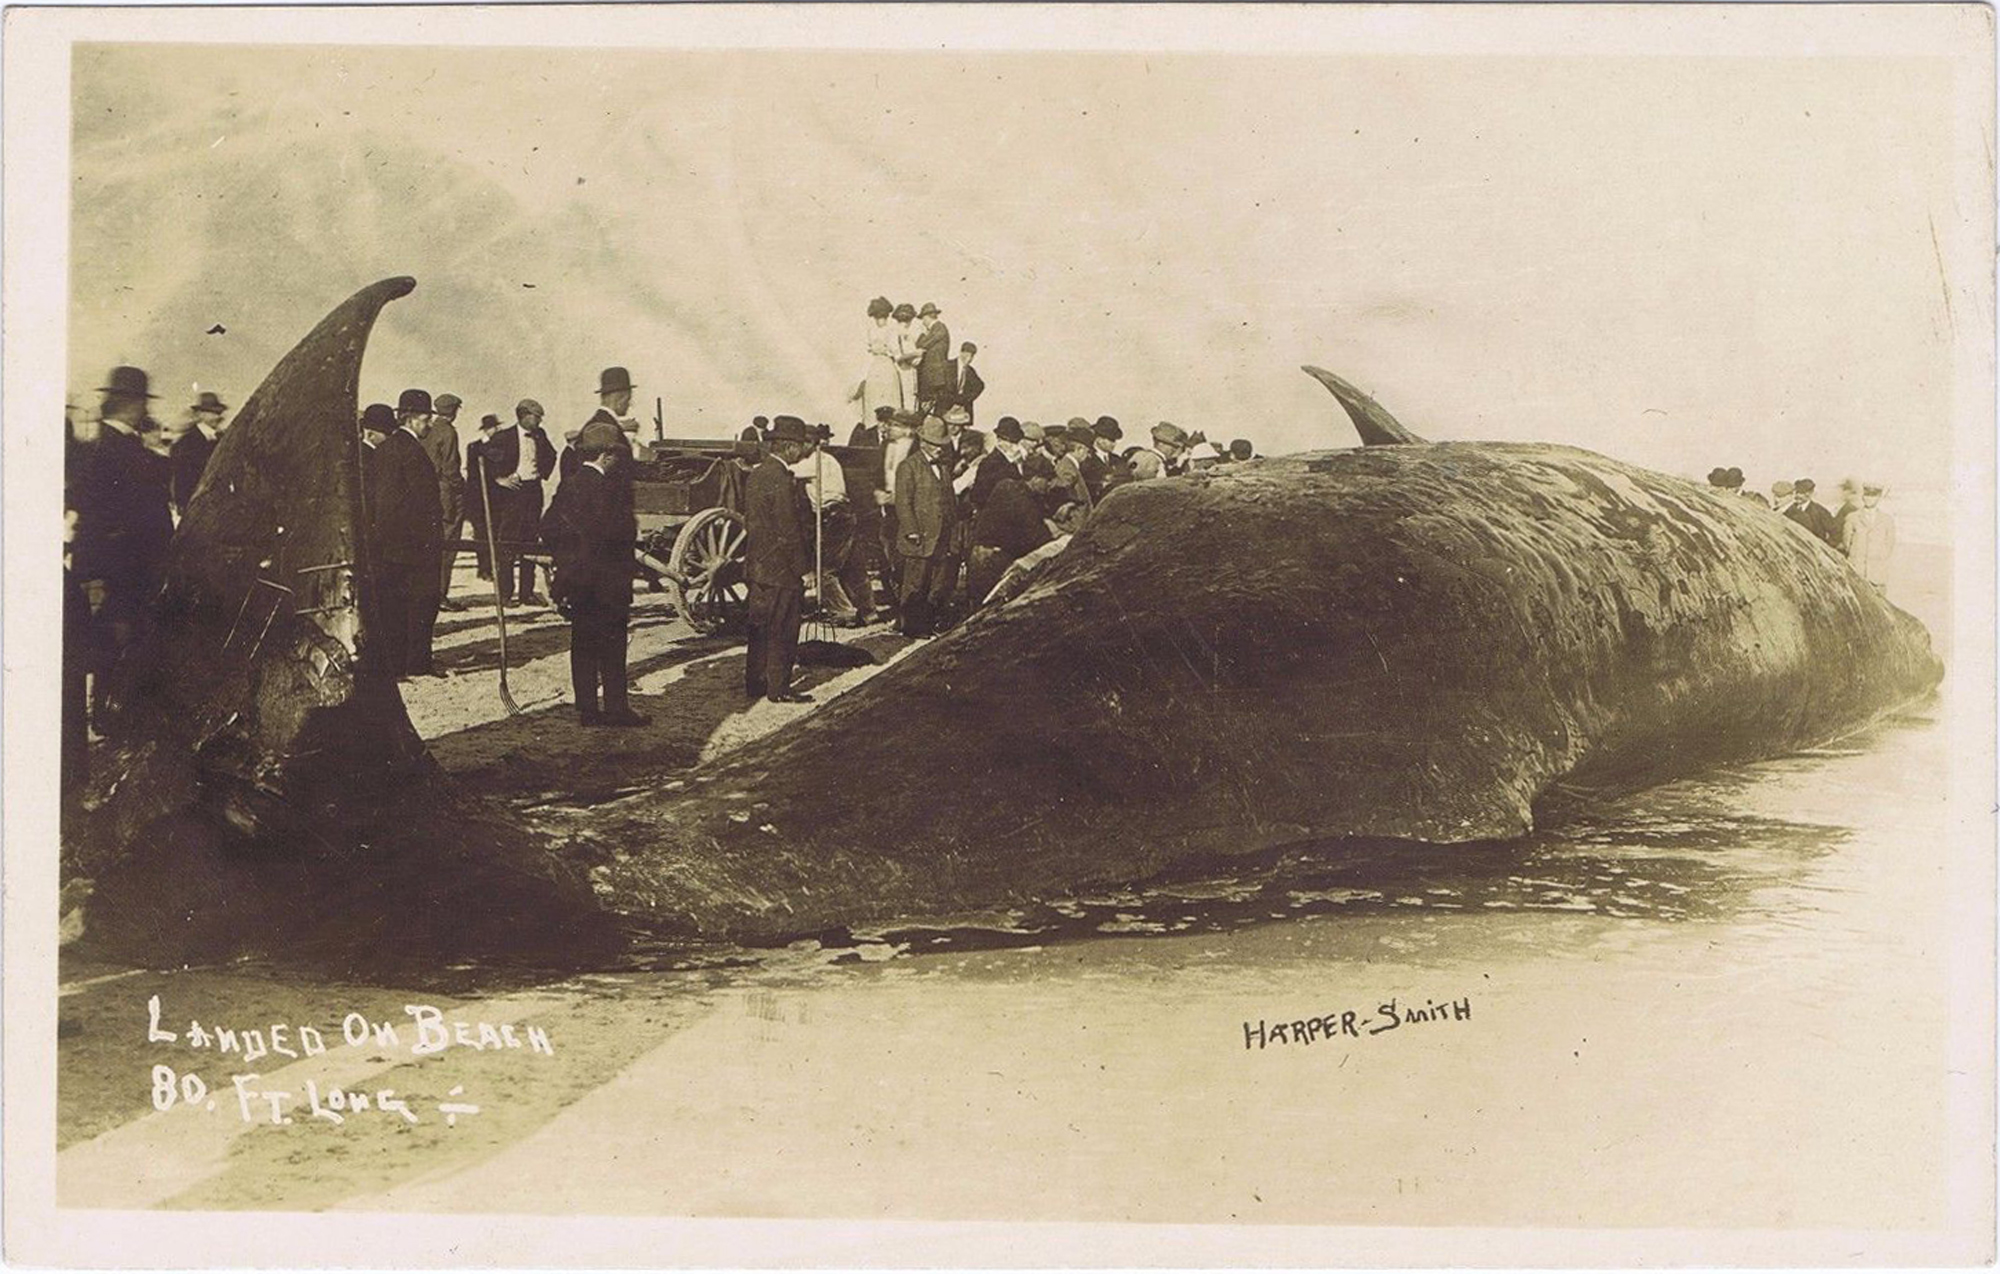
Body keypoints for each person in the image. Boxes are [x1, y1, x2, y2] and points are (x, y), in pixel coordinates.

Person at [71, 366, 175, 733]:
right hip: (126, 564)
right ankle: (110, 716)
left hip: (118, 562)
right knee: (119, 637)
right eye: (141, 403)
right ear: (131, 404)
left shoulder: (110, 446)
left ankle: (111, 713)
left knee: (118, 638)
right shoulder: (119, 451)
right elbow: (127, 512)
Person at [543, 420, 646, 726]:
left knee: (584, 645)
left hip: (579, 582)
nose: (617, 461)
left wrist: (567, 559)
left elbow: (548, 527)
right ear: (605, 455)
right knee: (613, 648)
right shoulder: (609, 490)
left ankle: (587, 709)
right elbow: (617, 535)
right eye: (615, 455)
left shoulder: (570, 483)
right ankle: (617, 709)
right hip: (609, 584)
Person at [364, 399, 443, 679]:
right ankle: (417, 664)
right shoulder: (407, 450)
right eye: (425, 419)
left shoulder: (385, 450)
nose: (430, 424)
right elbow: (411, 502)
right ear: (410, 420)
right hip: (415, 544)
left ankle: (400, 664)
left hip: (393, 544)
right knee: (422, 602)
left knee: (395, 606)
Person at [745, 416, 815, 703]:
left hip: (758, 567)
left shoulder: (757, 474)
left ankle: (755, 683)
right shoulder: (784, 481)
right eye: (799, 445)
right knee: (784, 630)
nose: (802, 450)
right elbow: (789, 531)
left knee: (760, 628)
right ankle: (780, 689)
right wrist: (804, 570)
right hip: (782, 571)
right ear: (789, 448)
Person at [789, 427, 869, 625]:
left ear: (811, 443)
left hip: (834, 516)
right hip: (843, 514)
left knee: (823, 570)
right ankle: (869, 611)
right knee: (853, 567)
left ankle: (844, 613)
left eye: (803, 443)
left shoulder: (813, 462)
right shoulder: (828, 459)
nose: (799, 447)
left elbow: (785, 471)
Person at [485, 398, 558, 605]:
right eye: (537, 417)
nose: (540, 422)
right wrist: (500, 479)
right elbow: (482, 459)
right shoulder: (503, 437)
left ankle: (526, 593)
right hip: (512, 495)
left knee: (530, 543)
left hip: (533, 492)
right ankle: (506, 595)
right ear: (524, 416)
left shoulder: (540, 435)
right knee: (508, 543)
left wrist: (542, 473)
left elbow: (552, 454)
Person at [968, 429, 1052, 607]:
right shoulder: (1019, 496)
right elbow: (1035, 534)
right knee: (987, 612)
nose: (1050, 485)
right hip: (991, 560)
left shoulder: (1010, 487)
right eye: (1048, 480)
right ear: (1036, 478)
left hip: (983, 556)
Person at [895, 415, 962, 637]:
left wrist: (953, 530)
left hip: (941, 534)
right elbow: (903, 502)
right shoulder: (908, 466)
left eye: (942, 445)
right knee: (916, 582)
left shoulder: (943, 467)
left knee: (937, 581)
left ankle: (930, 621)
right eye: (935, 445)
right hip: (919, 535)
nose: (939, 449)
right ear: (923, 443)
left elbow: (949, 500)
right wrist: (912, 531)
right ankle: (911, 627)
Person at [423, 392, 468, 612]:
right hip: (447, 493)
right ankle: (441, 595)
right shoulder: (448, 432)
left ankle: (432, 593)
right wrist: (461, 487)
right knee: (448, 545)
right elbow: (451, 468)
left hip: (429, 492)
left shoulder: (428, 429)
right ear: (454, 411)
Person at [169, 390, 229, 517]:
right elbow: (182, 478)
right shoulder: (187, 443)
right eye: (212, 412)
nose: (217, 417)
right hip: (195, 506)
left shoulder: (222, 438)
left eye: (219, 412)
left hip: (218, 506)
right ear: (200, 414)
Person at [465, 412, 502, 580]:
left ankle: (494, 567)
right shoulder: (474, 447)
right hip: (478, 498)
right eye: (494, 427)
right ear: (487, 429)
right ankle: (483, 568)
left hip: (496, 498)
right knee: (481, 534)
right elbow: (473, 475)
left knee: (495, 532)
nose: (496, 430)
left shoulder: (501, 446)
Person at [1841, 484, 1896, 590]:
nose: (1869, 499)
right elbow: (1846, 543)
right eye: (1866, 495)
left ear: (1879, 498)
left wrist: (1878, 558)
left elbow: (1889, 545)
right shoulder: (1852, 517)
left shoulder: (1887, 520)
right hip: (1857, 571)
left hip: (1877, 574)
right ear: (1862, 496)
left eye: (1873, 496)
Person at [862, 297, 903, 420]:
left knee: (887, 397)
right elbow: (868, 347)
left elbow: (896, 352)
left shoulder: (891, 331)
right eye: (877, 318)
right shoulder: (872, 331)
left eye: (881, 317)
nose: (879, 320)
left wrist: (886, 351)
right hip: (876, 367)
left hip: (886, 366)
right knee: (874, 396)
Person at [1081, 416, 1131, 504]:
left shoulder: (1117, 460)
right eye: (1110, 440)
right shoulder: (1086, 459)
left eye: (1115, 440)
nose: (1114, 444)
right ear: (1099, 439)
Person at [914, 302, 953, 412]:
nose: (922, 322)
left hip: (936, 377)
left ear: (927, 317)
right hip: (933, 377)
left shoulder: (939, 328)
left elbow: (921, 345)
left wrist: (922, 334)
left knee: (933, 408)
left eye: (923, 318)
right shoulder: (935, 329)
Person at [938, 341, 985, 424]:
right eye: (967, 355)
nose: (970, 359)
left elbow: (980, 386)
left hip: (961, 409)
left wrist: (964, 400)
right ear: (961, 353)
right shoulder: (947, 366)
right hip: (946, 407)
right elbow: (939, 387)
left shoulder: (970, 371)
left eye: (971, 356)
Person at [1784, 478, 1839, 548]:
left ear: (1810, 494)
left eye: (1801, 493)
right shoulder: (1790, 510)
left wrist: (1826, 547)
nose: (1797, 496)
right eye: (1796, 492)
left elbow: (1835, 532)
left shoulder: (1820, 511)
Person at [891, 303, 921, 409]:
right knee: (905, 400)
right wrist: (915, 353)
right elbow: (898, 357)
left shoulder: (907, 333)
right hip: (902, 372)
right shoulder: (895, 334)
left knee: (912, 399)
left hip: (910, 371)